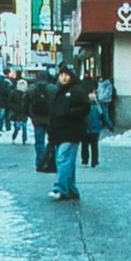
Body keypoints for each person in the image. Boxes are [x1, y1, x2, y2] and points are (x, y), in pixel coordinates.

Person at [47, 64, 89, 200]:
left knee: (63, 159)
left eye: (66, 75)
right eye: (61, 75)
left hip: (72, 131)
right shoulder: (58, 90)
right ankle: (71, 189)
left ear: (71, 76)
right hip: (59, 131)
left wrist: (69, 112)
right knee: (67, 161)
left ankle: (60, 188)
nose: (63, 78)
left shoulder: (77, 90)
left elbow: (85, 108)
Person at [25, 69, 58, 171]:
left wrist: (30, 115)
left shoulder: (31, 89)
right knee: (53, 141)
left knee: (39, 142)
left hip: (37, 119)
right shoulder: (53, 89)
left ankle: (40, 162)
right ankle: (52, 161)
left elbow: (24, 103)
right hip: (51, 119)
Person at [82, 89, 112, 167]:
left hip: (92, 128)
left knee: (90, 145)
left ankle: (91, 161)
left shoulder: (97, 105)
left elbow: (104, 116)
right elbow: (104, 116)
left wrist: (109, 125)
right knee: (89, 145)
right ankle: (89, 161)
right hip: (89, 128)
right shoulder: (95, 105)